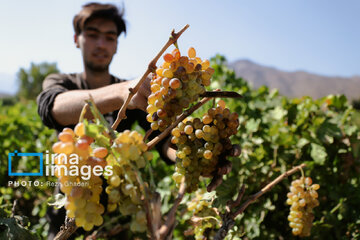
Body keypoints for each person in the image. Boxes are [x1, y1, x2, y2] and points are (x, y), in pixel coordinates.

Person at [37, 3, 175, 239]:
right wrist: (122, 94)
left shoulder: (134, 97)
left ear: (116, 45)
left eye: (110, 37)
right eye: (92, 35)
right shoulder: (62, 82)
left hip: (115, 223)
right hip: (65, 221)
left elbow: (162, 140)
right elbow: (54, 107)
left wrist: (188, 154)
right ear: (76, 39)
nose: (101, 44)